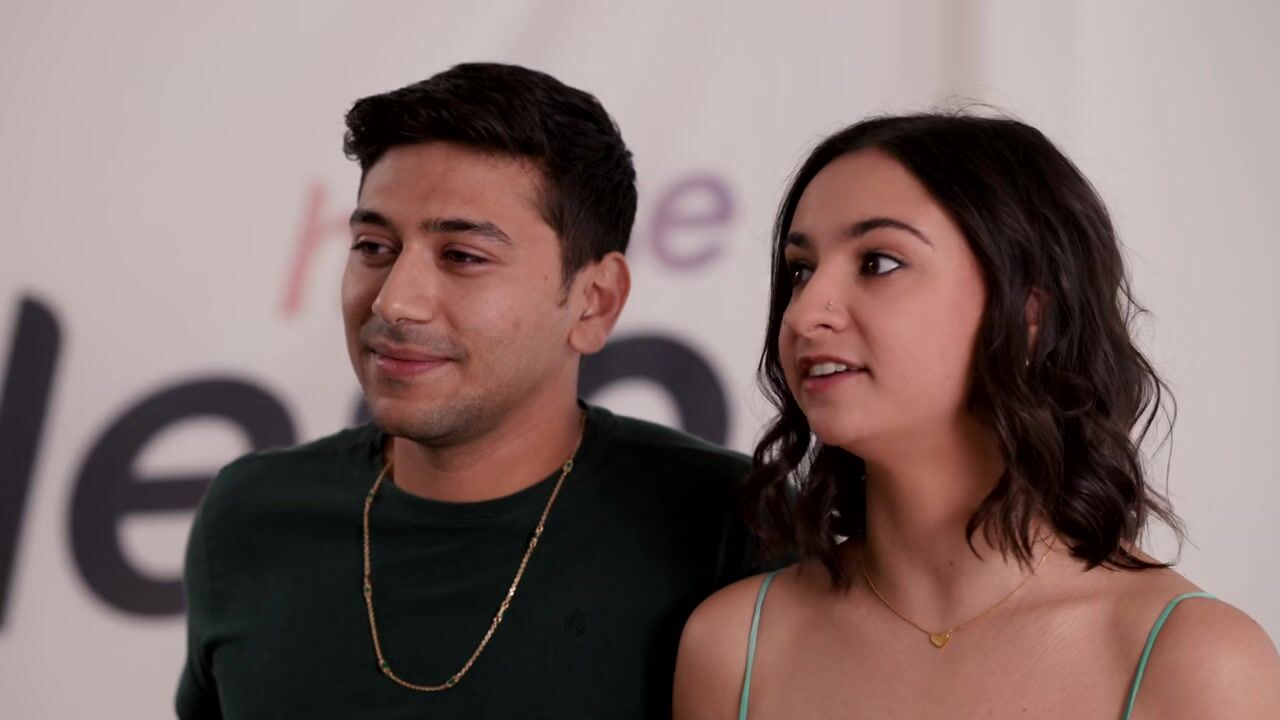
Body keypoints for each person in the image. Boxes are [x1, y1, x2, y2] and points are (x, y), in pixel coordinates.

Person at [176, 62, 757, 719]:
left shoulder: (728, 527)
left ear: (595, 301)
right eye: (373, 246)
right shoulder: (249, 516)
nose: (394, 301)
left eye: (462, 256)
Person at [673, 113, 1280, 719]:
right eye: (800, 271)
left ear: (1028, 313)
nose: (804, 315)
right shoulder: (735, 646)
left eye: (878, 262)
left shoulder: (1193, 661)